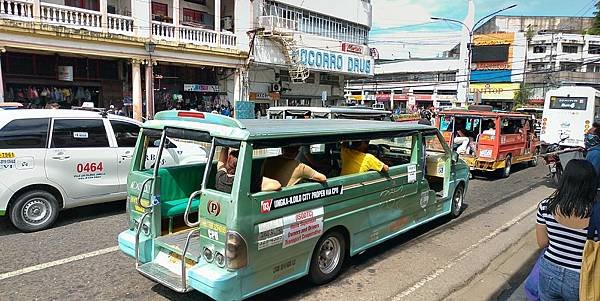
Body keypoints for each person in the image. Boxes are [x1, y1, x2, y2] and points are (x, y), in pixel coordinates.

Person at [536, 159, 598, 301]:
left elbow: (542, 243)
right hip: (582, 275)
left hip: (549, 269)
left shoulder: (546, 206)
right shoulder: (596, 213)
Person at [216, 147, 281, 193]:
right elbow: (277, 185)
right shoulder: (247, 182)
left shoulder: (220, 178)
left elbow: (221, 164)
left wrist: (225, 146)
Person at [263, 146, 327, 187]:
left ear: (282, 149)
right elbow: (322, 178)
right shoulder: (300, 167)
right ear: (297, 152)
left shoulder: (269, 160)